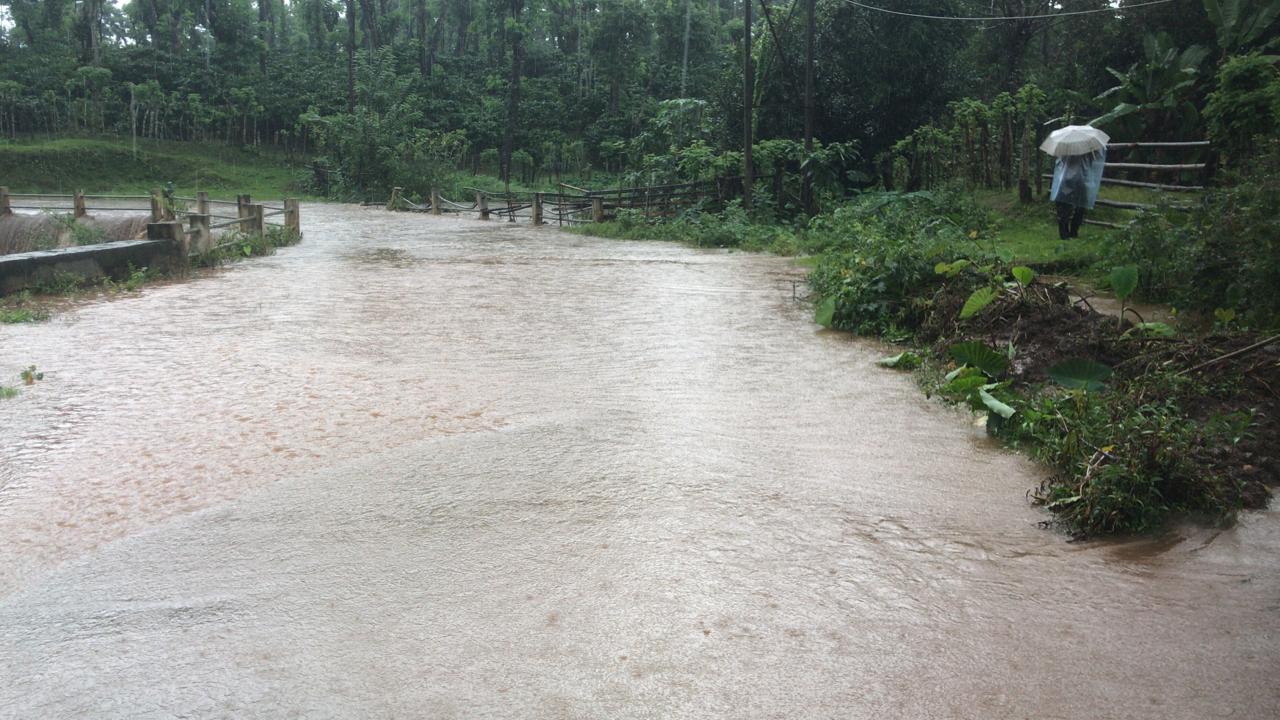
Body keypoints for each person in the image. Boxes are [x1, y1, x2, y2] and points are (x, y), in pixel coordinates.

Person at [1050, 146, 1106, 239]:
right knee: (1078, 207)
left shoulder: (1065, 148)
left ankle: (1065, 233)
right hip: (1080, 179)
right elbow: (1092, 162)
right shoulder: (1086, 148)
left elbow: (1061, 162)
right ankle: (1072, 232)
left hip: (1068, 179)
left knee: (1067, 207)